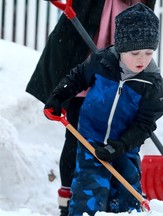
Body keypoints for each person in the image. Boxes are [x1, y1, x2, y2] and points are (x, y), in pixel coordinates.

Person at [25, 0, 156, 215]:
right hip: (85, 41)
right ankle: (69, 200)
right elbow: (75, 77)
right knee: (77, 135)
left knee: (123, 142)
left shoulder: (147, 70)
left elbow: (147, 117)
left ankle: (119, 202)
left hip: (129, 44)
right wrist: (59, 94)